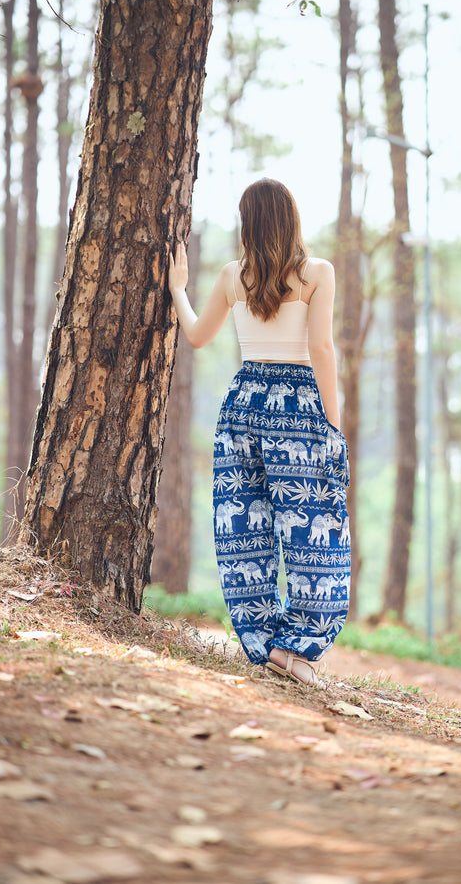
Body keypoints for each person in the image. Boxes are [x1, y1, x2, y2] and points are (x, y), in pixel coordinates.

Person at [168, 178, 350, 688]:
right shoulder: (317, 274)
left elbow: (199, 336)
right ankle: (298, 646)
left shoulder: (233, 276)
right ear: (291, 217)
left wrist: (178, 290)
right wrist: (332, 426)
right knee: (316, 528)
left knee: (243, 525)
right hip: (297, 408)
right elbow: (321, 351)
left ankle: (265, 643)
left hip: (245, 404)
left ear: (248, 223)